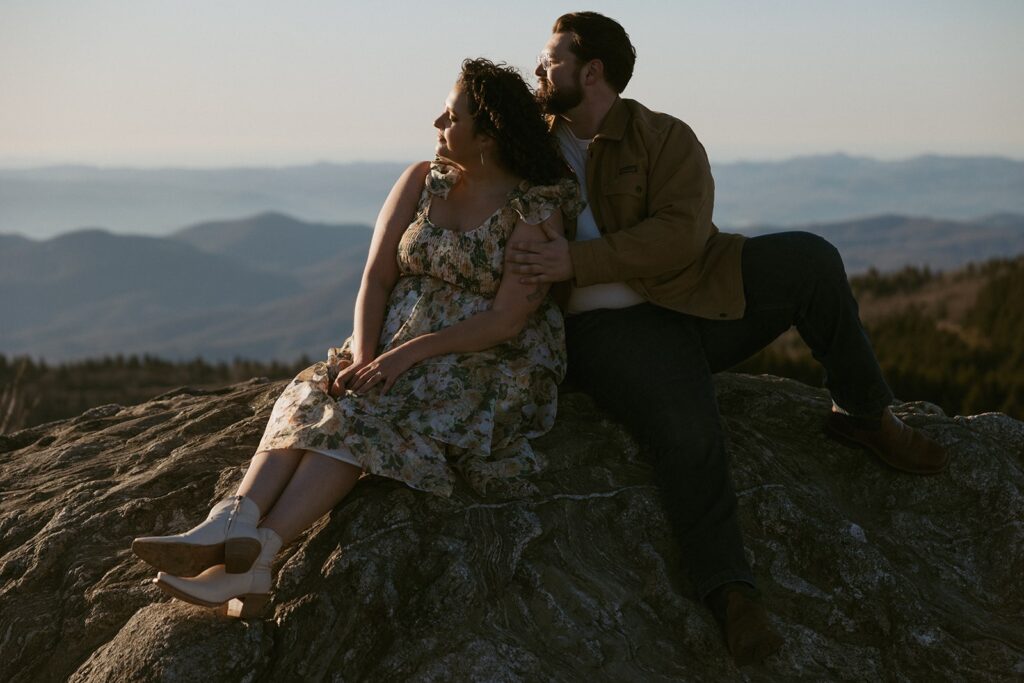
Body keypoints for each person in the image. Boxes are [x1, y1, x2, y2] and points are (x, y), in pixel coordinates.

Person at [508, 12, 949, 665]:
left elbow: (682, 235)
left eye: (552, 58)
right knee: (687, 425)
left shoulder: (664, 136)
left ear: (591, 70)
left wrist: (579, 262)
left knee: (812, 259)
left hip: (698, 290)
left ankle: (862, 414)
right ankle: (732, 593)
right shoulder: (531, 148)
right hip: (606, 327)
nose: (541, 69)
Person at [132, 58, 581, 618]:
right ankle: (235, 522)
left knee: (368, 416)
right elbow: (376, 276)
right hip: (391, 348)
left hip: (484, 358)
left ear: (488, 133)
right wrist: (367, 354)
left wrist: (404, 357)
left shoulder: (532, 209)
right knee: (319, 392)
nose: (437, 121)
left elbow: (507, 321)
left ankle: (253, 562)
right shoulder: (422, 179)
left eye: (451, 114)